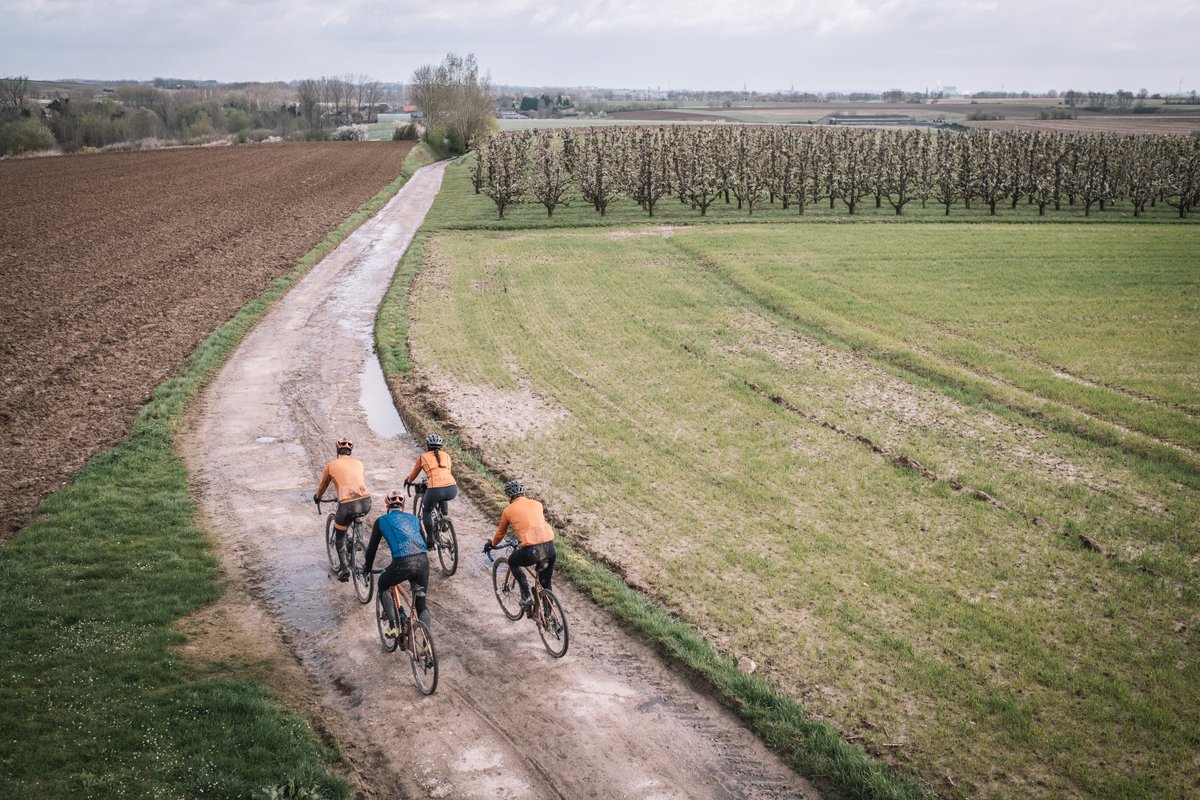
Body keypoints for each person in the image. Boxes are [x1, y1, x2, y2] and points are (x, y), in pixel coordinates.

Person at [363, 490, 431, 635]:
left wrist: (367, 568)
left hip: (402, 562)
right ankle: (427, 645)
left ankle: (393, 627)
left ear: (387, 507)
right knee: (421, 604)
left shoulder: (382, 520)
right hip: (423, 561)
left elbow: (371, 549)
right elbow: (424, 542)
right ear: (403, 507)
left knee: (383, 584)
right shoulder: (414, 519)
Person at [484, 479, 555, 612]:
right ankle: (550, 616)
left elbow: (501, 532)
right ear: (523, 493)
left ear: (509, 496)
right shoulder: (537, 504)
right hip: (550, 547)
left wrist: (492, 544)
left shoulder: (508, 510)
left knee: (512, 561)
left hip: (532, 550)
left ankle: (526, 595)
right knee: (546, 582)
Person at [313, 437, 371, 582]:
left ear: (337, 450)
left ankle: (345, 569)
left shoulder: (331, 465)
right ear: (350, 451)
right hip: (366, 502)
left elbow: (322, 486)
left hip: (346, 505)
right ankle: (359, 541)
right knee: (356, 515)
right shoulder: (359, 463)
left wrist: (318, 497)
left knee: (340, 536)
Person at [404, 433, 457, 548]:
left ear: (427, 446)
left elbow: (413, 475)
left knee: (426, 510)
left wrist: (408, 481)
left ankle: (430, 540)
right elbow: (443, 473)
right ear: (441, 447)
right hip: (452, 488)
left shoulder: (423, 457)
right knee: (444, 496)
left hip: (435, 489)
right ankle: (444, 521)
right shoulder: (447, 456)